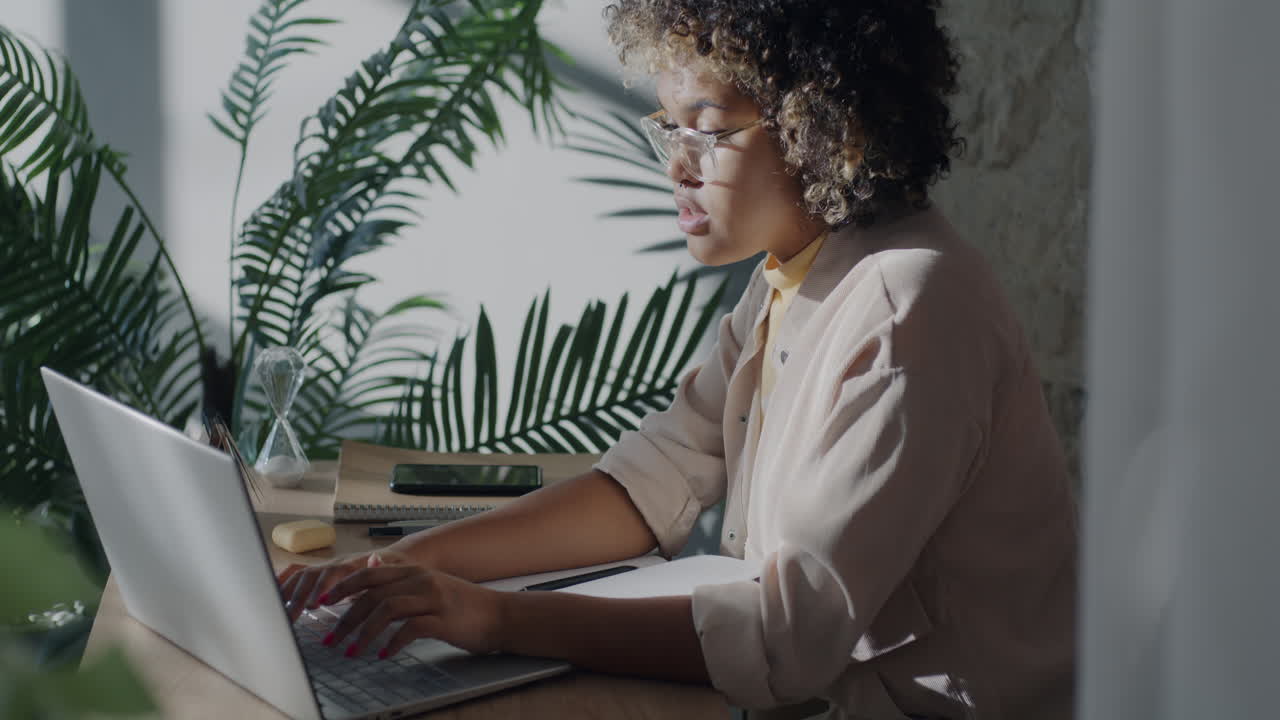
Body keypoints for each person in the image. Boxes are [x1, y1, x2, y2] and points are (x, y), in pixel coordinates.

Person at [278, 2, 1078, 718]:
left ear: (828, 123)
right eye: (669, 127)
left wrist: (493, 618)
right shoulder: (795, 274)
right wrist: (402, 567)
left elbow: (787, 640)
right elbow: (645, 486)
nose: (677, 167)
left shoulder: (912, 308)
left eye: (708, 128)